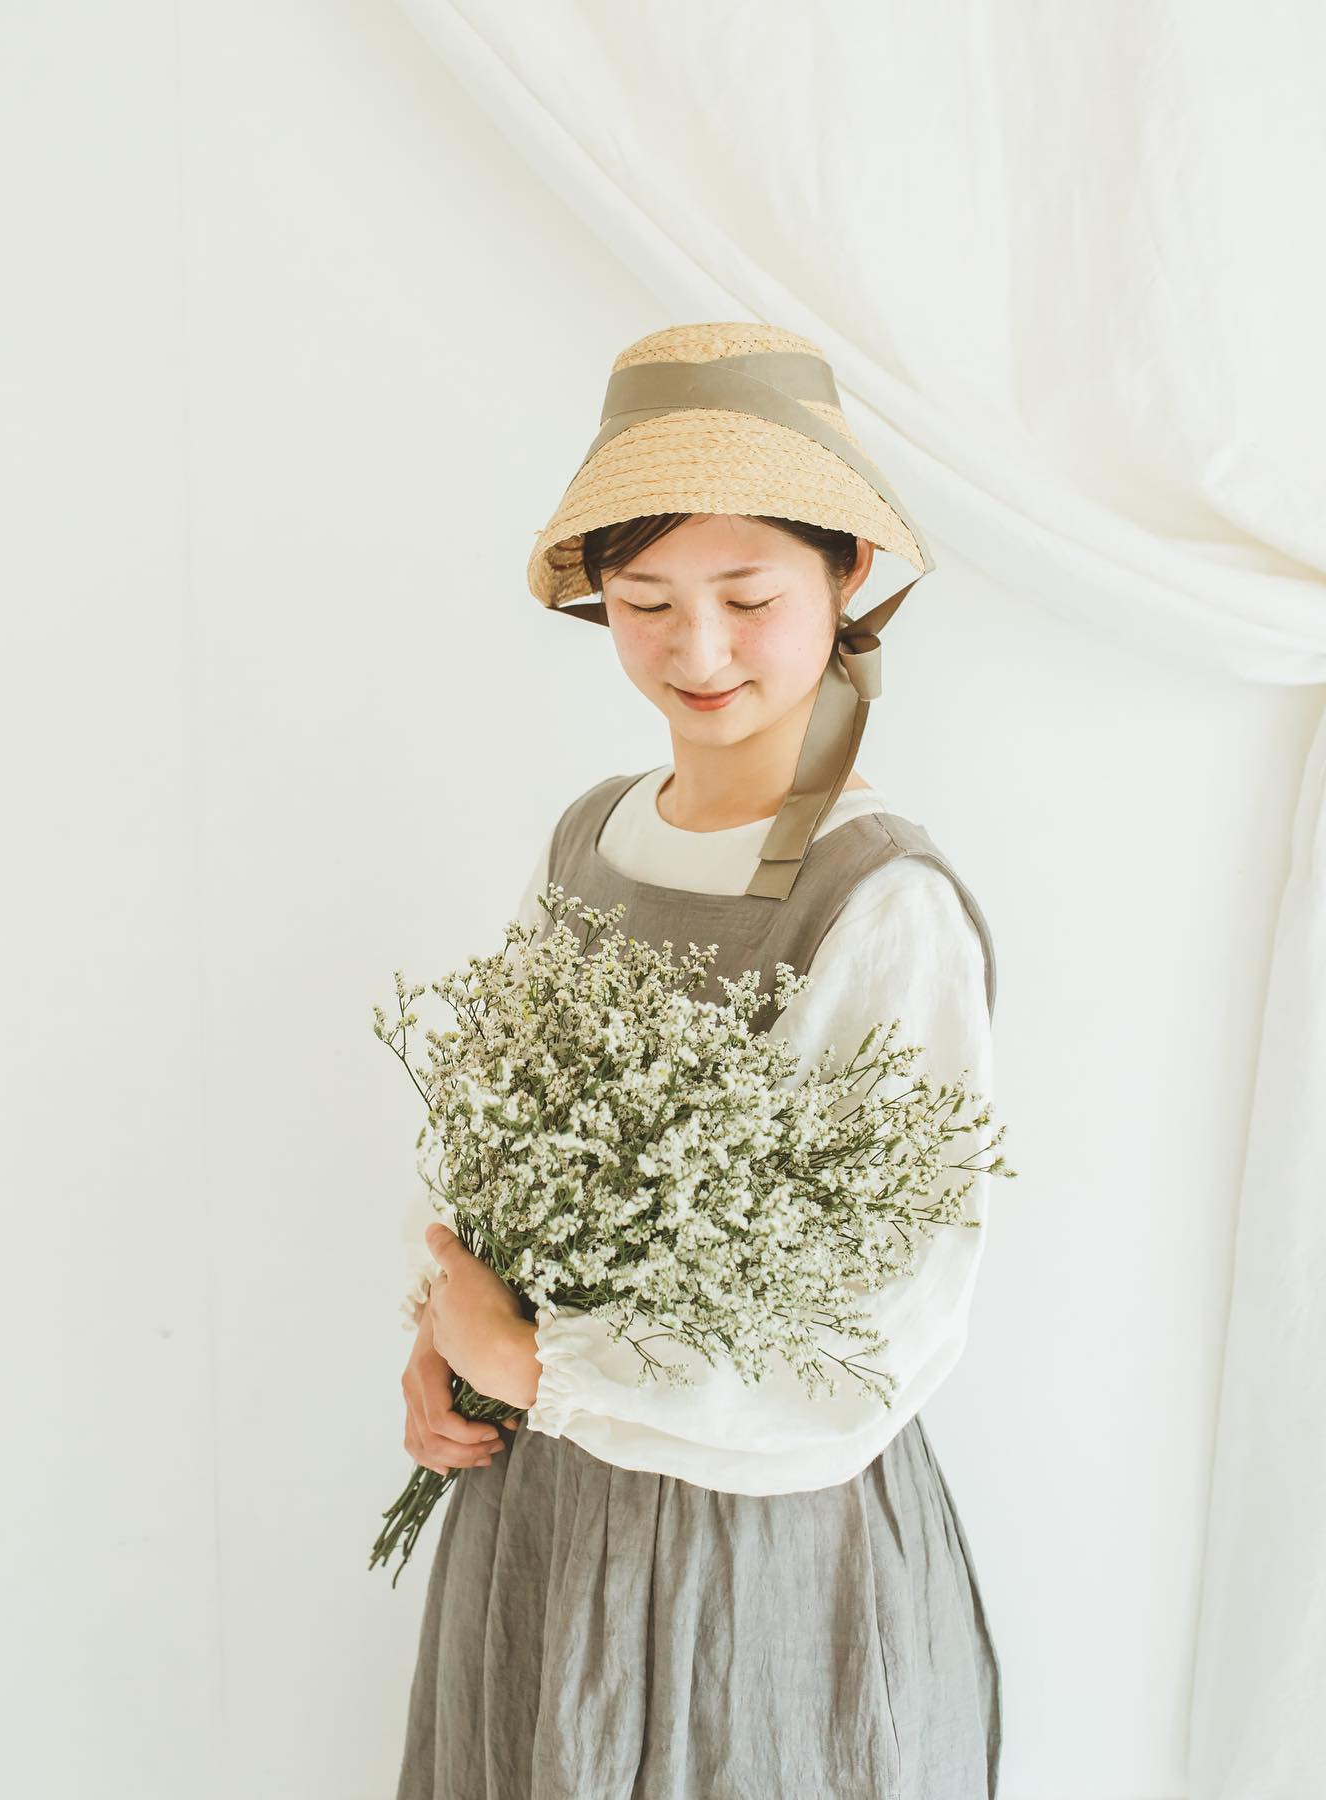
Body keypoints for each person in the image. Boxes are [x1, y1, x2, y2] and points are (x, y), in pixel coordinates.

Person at [393, 322, 1003, 1799]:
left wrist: (539, 1366)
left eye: (747, 595)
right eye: (646, 597)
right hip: (543, 1504)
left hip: (757, 1544)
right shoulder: (593, 832)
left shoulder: (880, 900)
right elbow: (526, 1159)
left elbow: (887, 1326)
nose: (698, 649)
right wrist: (444, 1341)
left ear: (847, 578)